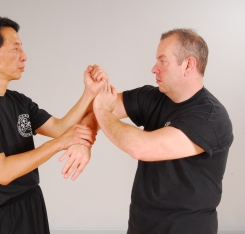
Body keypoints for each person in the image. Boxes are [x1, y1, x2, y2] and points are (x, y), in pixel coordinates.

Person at [0, 16, 107, 234]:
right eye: (15, 48)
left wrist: (89, 93)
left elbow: (59, 127)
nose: (24, 57)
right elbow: (2, 172)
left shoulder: (18, 101)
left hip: (32, 201)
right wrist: (60, 144)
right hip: (2, 217)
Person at [68, 28, 233, 233]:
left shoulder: (210, 118)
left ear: (188, 64)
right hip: (141, 226)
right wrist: (84, 140)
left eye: (163, 61)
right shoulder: (152, 97)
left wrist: (101, 109)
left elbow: (140, 147)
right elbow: (98, 111)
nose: (154, 68)